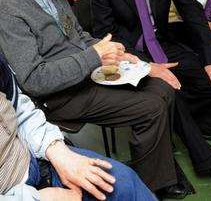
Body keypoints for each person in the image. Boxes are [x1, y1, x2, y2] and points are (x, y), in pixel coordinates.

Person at [0, 0, 183, 199]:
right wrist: (94, 56)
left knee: (162, 88)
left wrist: (107, 48)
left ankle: (156, 172)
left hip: (82, 78)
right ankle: (152, 184)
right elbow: (34, 79)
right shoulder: (8, 6)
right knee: (153, 105)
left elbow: (77, 36)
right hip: (58, 96)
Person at [89, 0, 211, 185]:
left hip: (162, 42)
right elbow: (105, 35)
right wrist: (145, 66)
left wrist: (210, 58)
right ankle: (208, 160)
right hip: (131, 53)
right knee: (168, 91)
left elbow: (193, 12)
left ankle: (181, 122)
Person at [0, 55, 155, 201]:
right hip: (61, 93)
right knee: (152, 107)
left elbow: (15, 105)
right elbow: (35, 79)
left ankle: (162, 179)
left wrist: (57, 151)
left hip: (30, 156)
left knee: (125, 182)